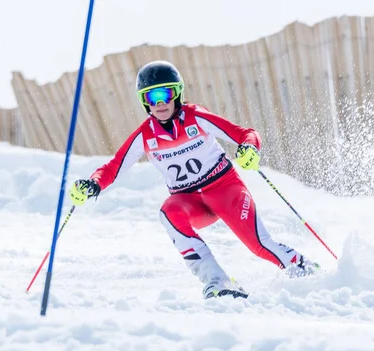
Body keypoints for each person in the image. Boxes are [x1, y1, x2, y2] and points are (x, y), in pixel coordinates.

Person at [69, 60, 320, 299]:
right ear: (144, 102)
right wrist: (93, 184)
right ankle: (217, 281)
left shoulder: (196, 117)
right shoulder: (145, 135)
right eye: (151, 97)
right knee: (169, 213)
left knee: (258, 245)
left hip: (225, 189)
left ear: (177, 93)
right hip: (189, 200)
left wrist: (249, 149)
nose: (159, 103)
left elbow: (245, 134)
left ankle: (308, 271)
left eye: (165, 94)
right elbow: (113, 167)